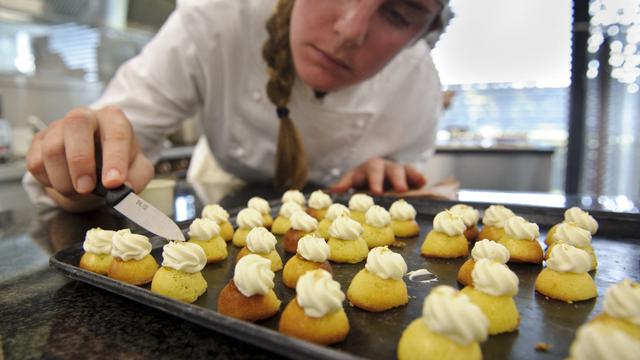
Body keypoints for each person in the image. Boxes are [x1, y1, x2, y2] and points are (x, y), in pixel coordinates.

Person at [24, 0, 450, 212]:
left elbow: (412, 188)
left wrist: (388, 173)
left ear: (425, 31)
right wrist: (85, 167)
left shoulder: (418, 86)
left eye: (397, 13)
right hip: (222, 202)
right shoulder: (216, 17)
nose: (350, 31)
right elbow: (112, 136)